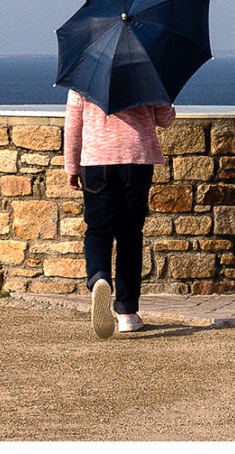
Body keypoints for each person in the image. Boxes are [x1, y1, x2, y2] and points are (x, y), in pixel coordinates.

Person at [62, 86, 176, 338]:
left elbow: (73, 124)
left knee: (98, 230)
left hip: (96, 161)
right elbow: (166, 119)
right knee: (130, 235)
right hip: (136, 160)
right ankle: (126, 312)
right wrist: (162, 89)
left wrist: (72, 166)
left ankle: (99, 277)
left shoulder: (85, 75)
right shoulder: (147, 72)